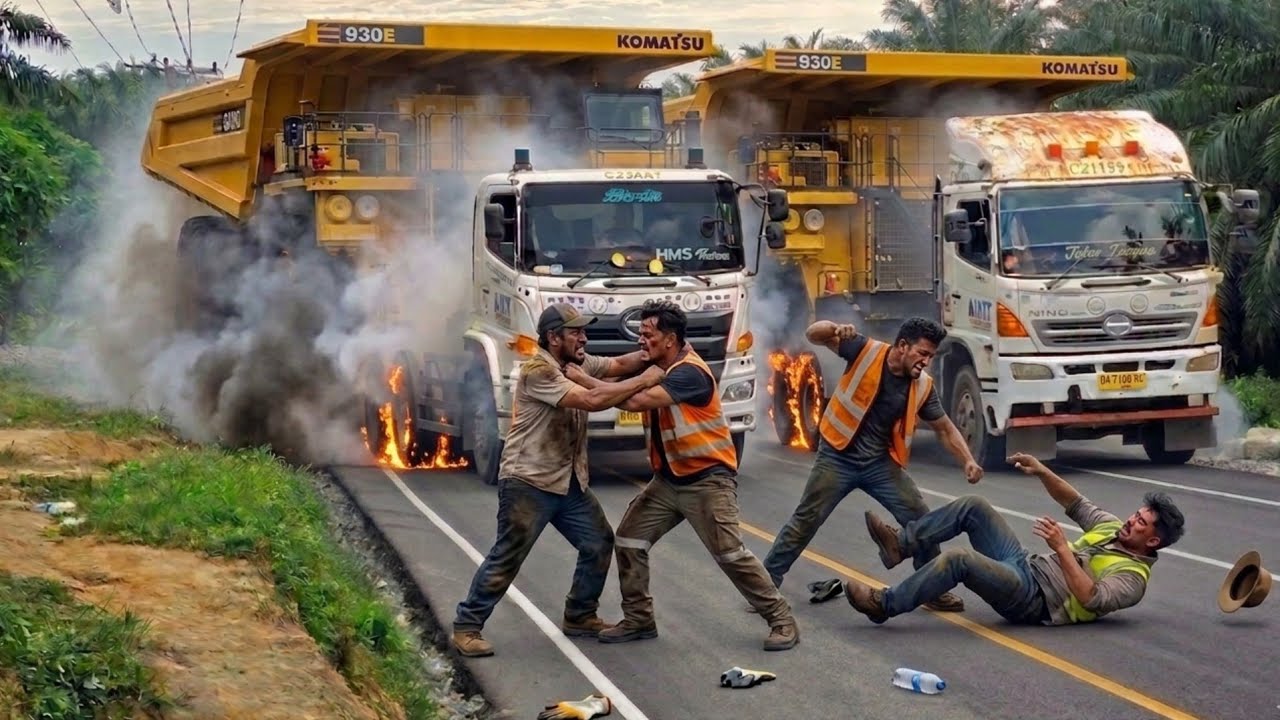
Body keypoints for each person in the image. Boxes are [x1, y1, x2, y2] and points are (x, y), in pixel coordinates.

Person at [578, 299, 800, 651]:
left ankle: (781, 619)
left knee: (731, 555)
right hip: (669, 481)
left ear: (670, 340)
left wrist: (578, 379)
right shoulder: (658, 366)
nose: (641, 341)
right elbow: (620, 377)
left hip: (707, 481)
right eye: (640, 334)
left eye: (648, 335)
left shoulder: (689, 373)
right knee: (629, 539)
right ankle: (639, 619)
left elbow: (633, 402)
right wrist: (615, 377)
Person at [451, 303, 666, 657]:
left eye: (583, 331)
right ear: (553, 338)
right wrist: (647, 379)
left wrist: (651, 350)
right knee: (508, 556)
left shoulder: (574, 363)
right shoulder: (538, 371)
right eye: (575, 332)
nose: (584, 337)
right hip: (528, 482)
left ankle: (580, 615)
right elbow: (593, 399)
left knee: (598, 542)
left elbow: (618, 365)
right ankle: (467, 626)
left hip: (567, 481)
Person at [761, 317, 983, 613]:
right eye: (922, 354)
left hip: (879, 464)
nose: (926, 362)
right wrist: (834, 328)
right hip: (837, 455)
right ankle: (763, 586)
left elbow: (944, 428)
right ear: (902, 346)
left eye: (931, 356)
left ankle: (932, 589)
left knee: (921, 520)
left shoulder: (923, 386)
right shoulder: (863, 349)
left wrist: (968, 460)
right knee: (806, 519)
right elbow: (813, 333)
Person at [844, 452, 1185, 626]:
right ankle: (899, 545)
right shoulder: (1111, 526)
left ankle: (884, 605)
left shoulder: (1133, 580)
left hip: (1033, 601)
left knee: (959, 560)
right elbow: (1074, 502)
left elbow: (1092, 598)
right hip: (1025, 566)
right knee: (973, 506)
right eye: (1135, 515)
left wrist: (1062, 549)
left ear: (1153, 542)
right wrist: (1042, 471)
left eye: (1141, 524)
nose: (1130, 521)